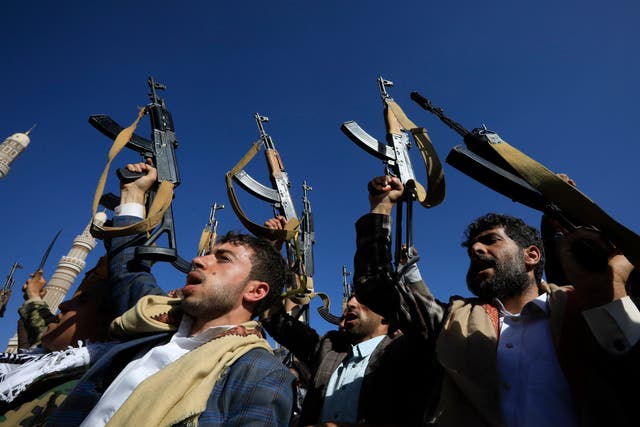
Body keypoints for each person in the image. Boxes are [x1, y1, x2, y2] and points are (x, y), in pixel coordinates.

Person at [354, 174, 640, 427]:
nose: (476, 249)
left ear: (532, 255)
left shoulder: (586, 302)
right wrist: (381, 206)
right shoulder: (451, 320)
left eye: (491, 241)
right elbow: (375, 287)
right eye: (472, 249)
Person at [46, 161, 296, 427]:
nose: (199, 261)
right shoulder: (157, 322)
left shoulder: (260, 373)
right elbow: (129, 271)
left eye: (223, 258)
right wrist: (133, 195)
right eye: (208, 254)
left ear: (255, 291)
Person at [261, 216, 441, 426]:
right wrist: (270, 253)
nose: (351, 304)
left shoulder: (405, 352)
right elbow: (272, 318)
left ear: (386, 313)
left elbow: (431, 324)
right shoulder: (328, 349)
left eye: (363, 300)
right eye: (350, 300)